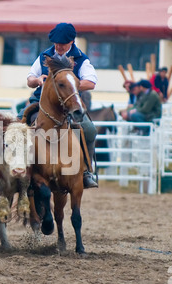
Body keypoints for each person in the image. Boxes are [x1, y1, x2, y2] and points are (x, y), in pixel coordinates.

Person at [18, 22, 99, 188]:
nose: (59, 46)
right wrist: (38, 80)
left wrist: (69, 84)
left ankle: (86, 171)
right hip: (41, 103)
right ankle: (18, 167)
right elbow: (30, 80)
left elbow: (90, 83)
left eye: (63, 44)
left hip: (69, 106)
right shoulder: (44, 56)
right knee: (17, 125)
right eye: (56, 43)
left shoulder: (81, 59)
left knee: (90, 130)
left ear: (71, 42)